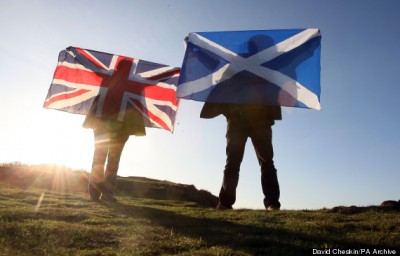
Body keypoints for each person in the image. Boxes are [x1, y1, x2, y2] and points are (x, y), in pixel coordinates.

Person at [84, 59, 146, 202]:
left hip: (103, 126)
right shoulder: (133, 83)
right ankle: (106, 194)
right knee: (112, 162)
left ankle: (96, 194)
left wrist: (75, 54)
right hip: (119, 129)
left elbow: (91, 66)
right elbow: (155, 81)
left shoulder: (109, 77)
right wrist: (173, 73)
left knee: (100, 159)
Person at [200, 102, 282, 210]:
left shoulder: (263, 84)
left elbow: (272, 92)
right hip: (237, 119)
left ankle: (272, 203)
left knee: (266, 161)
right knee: (233, 162)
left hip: (260, 119)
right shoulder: (229, 85)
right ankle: (225, 203)